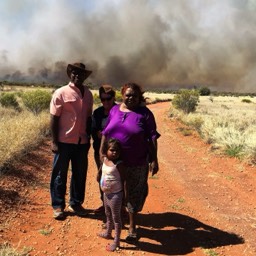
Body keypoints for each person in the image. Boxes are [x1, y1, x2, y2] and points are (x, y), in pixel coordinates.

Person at [99, 82, 160, 243]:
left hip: (136, 162)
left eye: (134, 95)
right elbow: (106, 133)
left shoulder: (145, 114)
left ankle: (132, 227)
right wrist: (101, 152)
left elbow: (152, 138)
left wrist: (154, 159)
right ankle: (113, 224)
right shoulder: (114, 110)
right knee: (112, 191)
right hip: (114, 162)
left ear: (139, 96)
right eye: (127, 94)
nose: (130, 97)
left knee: (133, 192)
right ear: (122, 95)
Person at [50, 62, 93, 220]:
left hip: (82, 142)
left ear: (84, 76)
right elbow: (54, 118)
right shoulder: (61, 93)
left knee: (79, 174)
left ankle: (75, 203)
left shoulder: (88, 94)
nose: (77, 76)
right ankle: (57, 205)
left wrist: (89, 138)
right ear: (70, 74)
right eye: (74, 73)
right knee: (60, 174)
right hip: (63, 141)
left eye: (80, 74)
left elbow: (88, 118)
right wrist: (54, 141)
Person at [97, 138, 126, 252]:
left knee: (116, 218)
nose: (115, 153)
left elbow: (124, 180)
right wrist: (98, 175)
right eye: (112, 150)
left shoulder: (119, 164)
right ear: (106, 150)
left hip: (116, 195)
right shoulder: (104, 160)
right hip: (106, 193)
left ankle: (116, 241)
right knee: (107, 214)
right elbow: (101, 170)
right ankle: (108, 233)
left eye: (117, 151)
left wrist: (125, 195)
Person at [91, 84, 116, 215]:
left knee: (116, 179)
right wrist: (102, 135)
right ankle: (105, 204)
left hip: (116, 153)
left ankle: (119, 206)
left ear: (114, 97)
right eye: (103, 99)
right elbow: (94, 131)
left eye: (108, 98)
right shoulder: (98, 113)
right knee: (103, 178)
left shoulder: (119, 111)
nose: (105, 101)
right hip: (100, 151)